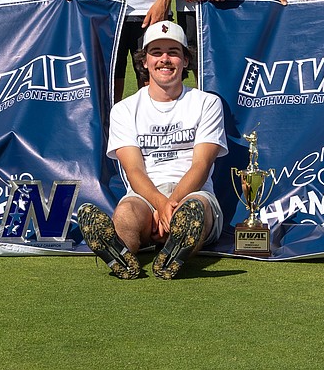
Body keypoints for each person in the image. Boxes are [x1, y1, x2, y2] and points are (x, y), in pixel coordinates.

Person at [76, 21, 227, 280]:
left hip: (193, 192)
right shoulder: (124, 109)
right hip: (145, 196)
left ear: (185, 60)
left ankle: (175, 248)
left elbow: (201, 165)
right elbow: (133, 169)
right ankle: (120, 252)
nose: (164, 59)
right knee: (125, 214)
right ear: (144, 61)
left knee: (194, 211)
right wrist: (160, 204)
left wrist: (171, 206)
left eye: (173, 52)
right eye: (156, 52)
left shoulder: (207, 103)